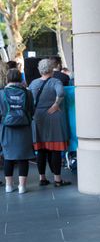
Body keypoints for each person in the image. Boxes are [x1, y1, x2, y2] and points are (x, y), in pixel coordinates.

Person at [28, 59, 71, 187]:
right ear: (52, 69)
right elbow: (61, 93)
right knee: (55, 150)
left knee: (41, 150)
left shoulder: (33, 83)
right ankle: (57, 180)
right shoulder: (55, 81)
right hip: (53, 117)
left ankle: (42, 178)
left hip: (38, 118)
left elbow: (29, 99)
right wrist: (56, 104)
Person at [1, 69, 35, 193]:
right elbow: (32, 110)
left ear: (7, 78)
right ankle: (22, 187)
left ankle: (8, 186)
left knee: (8, 157)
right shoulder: (28, 93)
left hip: (7, 128)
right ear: (20, 78)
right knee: (23, 157)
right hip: (24, 128)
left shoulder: (1, 93)